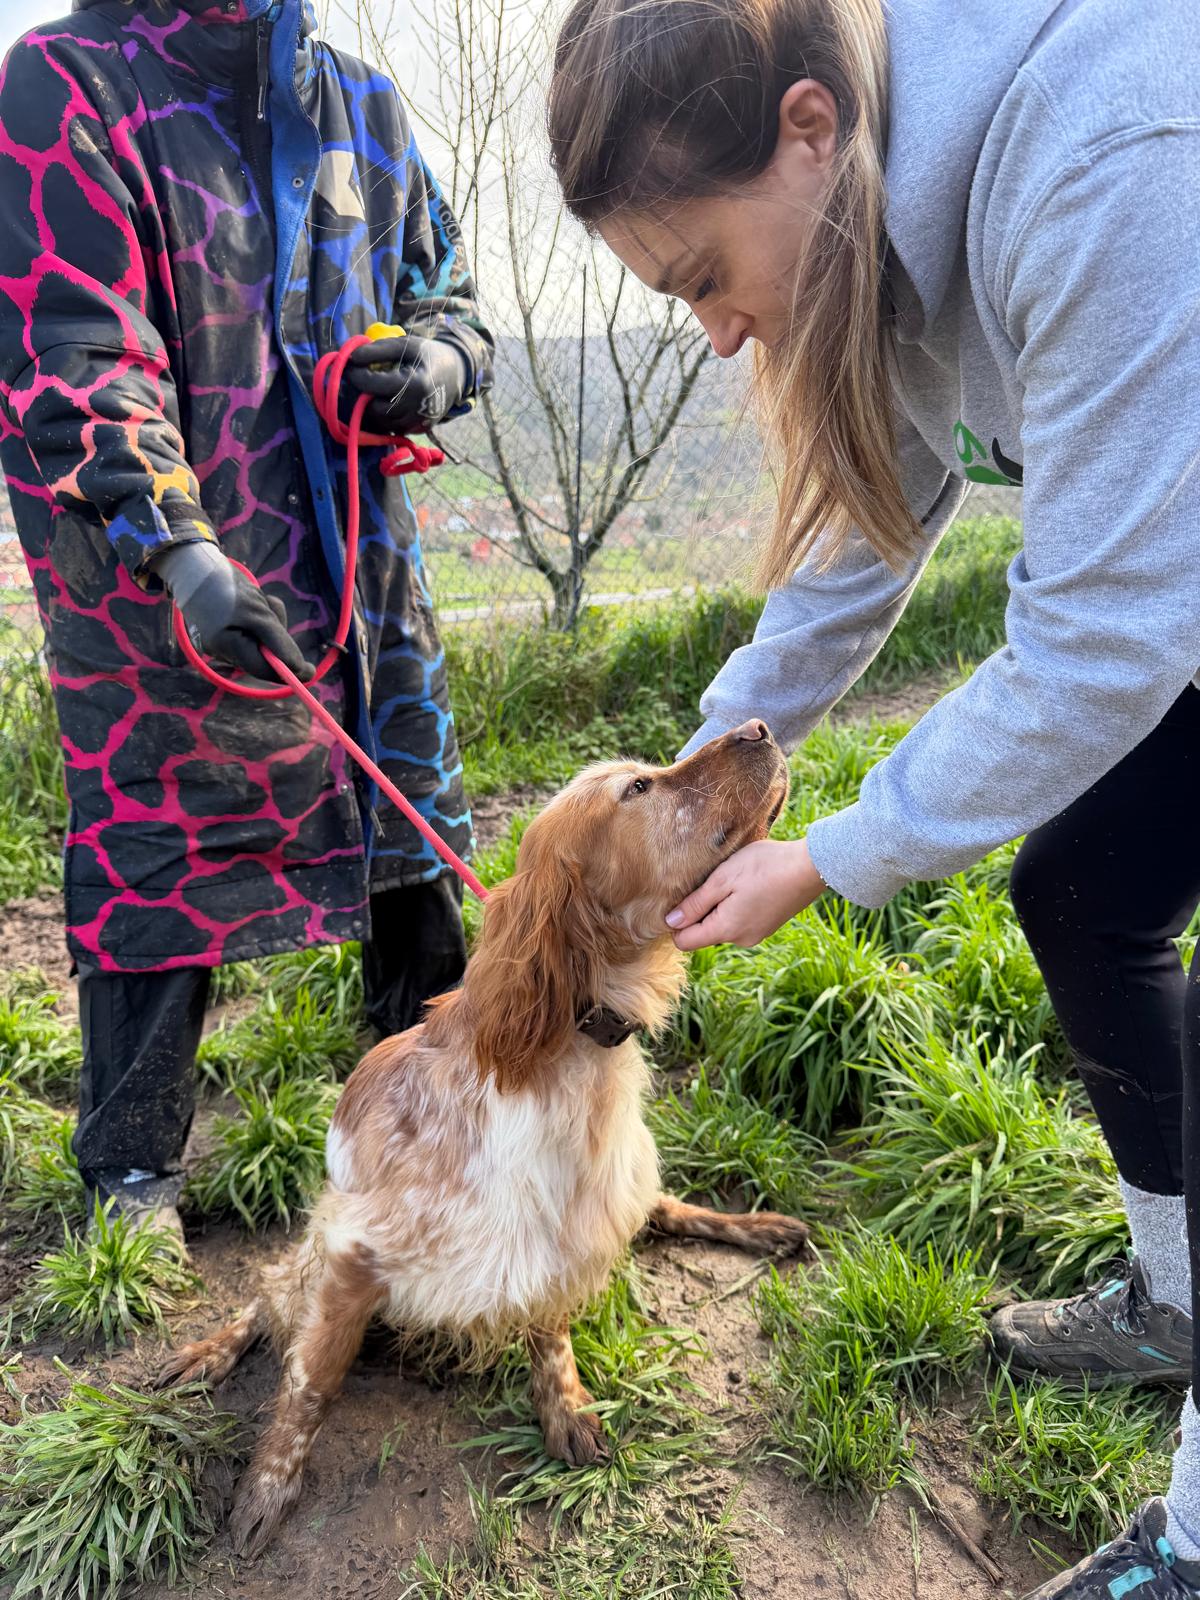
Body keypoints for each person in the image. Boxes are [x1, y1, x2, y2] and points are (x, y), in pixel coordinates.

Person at [548, 0, 1200, 1594]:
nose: (714, 333)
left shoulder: (1113, 156)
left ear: (807, 129)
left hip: (1159, 599)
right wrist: (704, 765)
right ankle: (1176, 1295)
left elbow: (1102, 638)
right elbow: (865, 534)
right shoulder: (880, 220)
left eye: (702, 274)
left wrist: (835, 856)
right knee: (1085, 892)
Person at [0, 0, 493, 1242]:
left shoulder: (361, 104)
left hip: (362, 569)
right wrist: (179, 544)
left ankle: (442, 1129)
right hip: (165, 580)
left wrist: (437, 363)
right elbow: (80, 347)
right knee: (165, 845)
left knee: (404, 827)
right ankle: (131, 1169)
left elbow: (449, 292)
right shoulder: (70, 85)